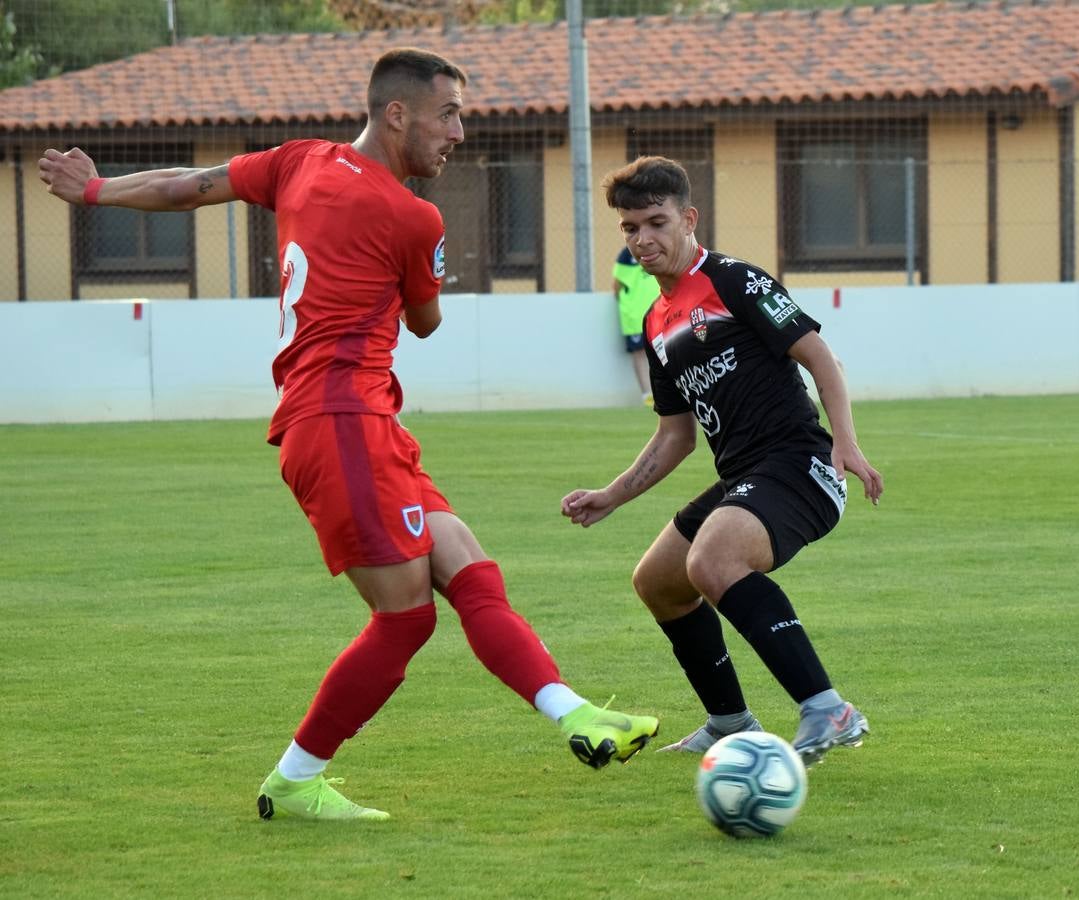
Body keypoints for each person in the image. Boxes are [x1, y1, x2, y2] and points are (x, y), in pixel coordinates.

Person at [39, 48, 658, 823]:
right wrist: (422, 272)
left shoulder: (299, 162)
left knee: (464, 560)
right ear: (396, 114)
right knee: (406, 618)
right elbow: (426, 323)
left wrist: (94, 188)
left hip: (354, 421)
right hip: (342, 423)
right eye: (449, 115)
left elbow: (189, 187)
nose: (459, 133)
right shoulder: (413, 215)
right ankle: (296, 780)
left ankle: (576, 716)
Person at [561, 156, 883, 767]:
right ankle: (731, 722)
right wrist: (612, 494)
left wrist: (845, 442)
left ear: (688, 218)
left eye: (655, 222)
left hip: (800, 466)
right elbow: (675, 436)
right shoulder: (657, 321)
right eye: (630, 228)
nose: (642, 239)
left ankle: (828, 709)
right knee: (658, 581)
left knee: (714, 558)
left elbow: (821, 359)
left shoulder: (734, 279)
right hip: (745, 478)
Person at [611, 246, 660, 405]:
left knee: (665, 350)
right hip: (635, 314)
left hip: (659, 310)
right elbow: (617, 285)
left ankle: (666, 393)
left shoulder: (662, 248)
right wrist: (628, 305)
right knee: (639, 353)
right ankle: (648, 395)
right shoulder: (627, 254)